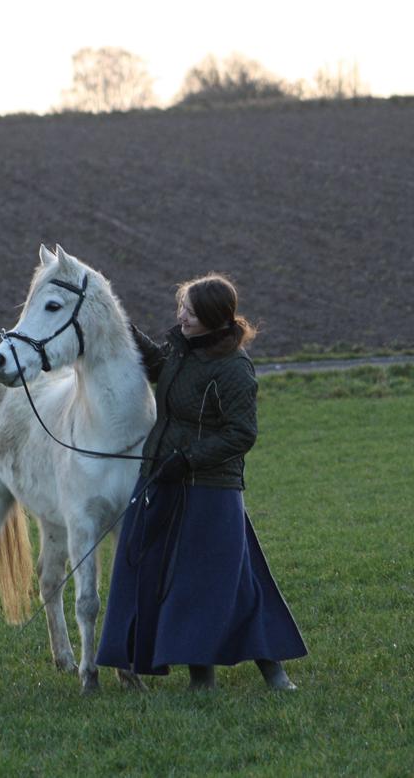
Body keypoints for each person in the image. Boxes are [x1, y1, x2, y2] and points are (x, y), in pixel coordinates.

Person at [96, 272, 307, 690]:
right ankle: (199, 675)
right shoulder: (182, 348)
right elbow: (162, 368)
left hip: (210, 488)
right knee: (156, 570)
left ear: (213, 317)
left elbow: (241, 433)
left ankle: (266, 671)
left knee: (214, 581)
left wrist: (188, 461)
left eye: (190, 312)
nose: (181, 316)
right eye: (181, 308)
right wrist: (123, 329)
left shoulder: (234, 369)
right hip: (160, 478)